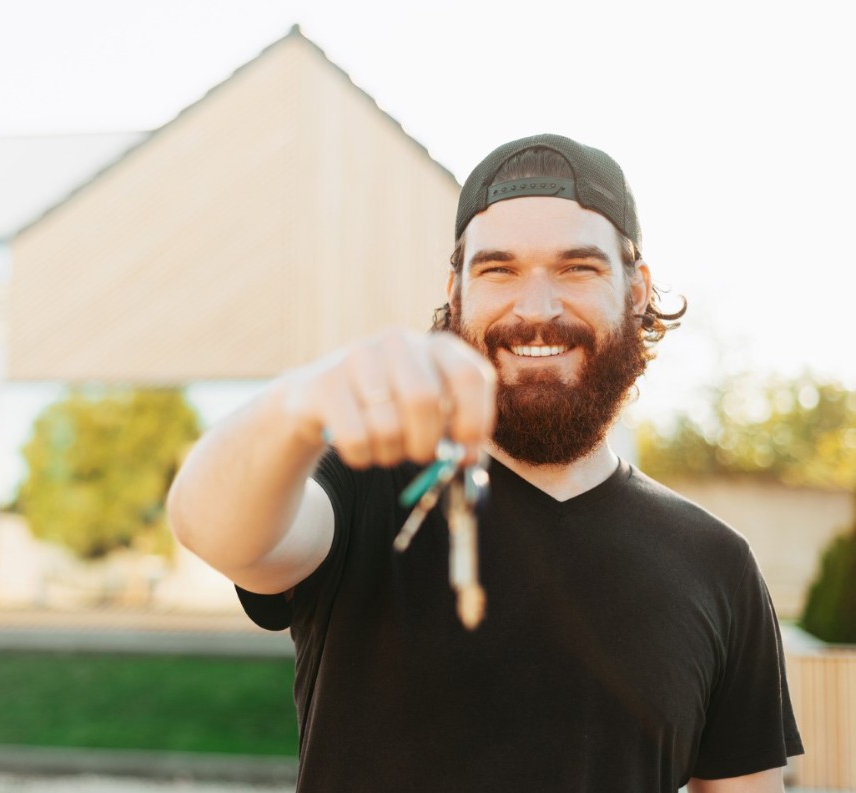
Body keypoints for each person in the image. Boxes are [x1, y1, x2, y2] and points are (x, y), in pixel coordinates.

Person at [166, 133, 803, 792]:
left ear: (636, 289)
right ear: (457, 289)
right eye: (497, 269)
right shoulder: (361, 486)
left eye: (577, 267)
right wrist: (297, 406)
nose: (535, 309)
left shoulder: (716, 563)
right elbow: (209, 526)